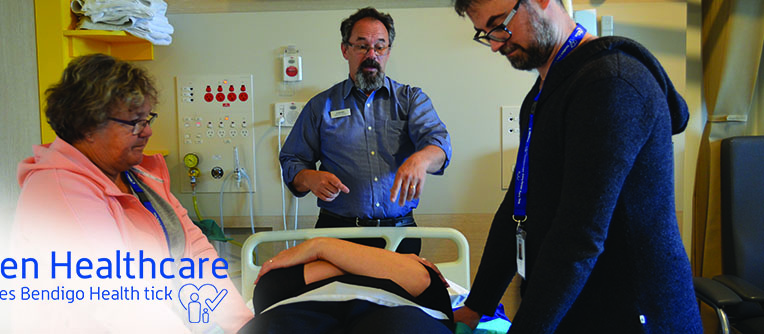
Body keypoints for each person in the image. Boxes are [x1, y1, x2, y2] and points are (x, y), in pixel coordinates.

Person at [451, 0, 703, 333]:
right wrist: (476, 307)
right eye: (485, 33)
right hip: (580, 307)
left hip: (635, 315)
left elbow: (579, 236)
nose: (496, 43)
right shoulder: (542, 96)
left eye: (500, 24)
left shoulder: (610, 83)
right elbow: (516, 209)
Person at [13, 54, 252, 333]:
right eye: (135, 122)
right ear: (87, 126)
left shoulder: (136, 176)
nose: (148, 130)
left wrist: (243, 326)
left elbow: (196, 253)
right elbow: (120, 302)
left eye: (147, 118)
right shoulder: (58, 191)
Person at [279, 7, 453, 255]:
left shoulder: (411, 100)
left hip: (400, 235)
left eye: (380, 46)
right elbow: (291, 159)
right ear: (345, 50)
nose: (372, 55)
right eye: (362, 46)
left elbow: (439, 145)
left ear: (388, 52)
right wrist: (309, 177)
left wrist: (421, 159)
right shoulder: (321, 106)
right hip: (338, 234)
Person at [238, 237, 454, 333]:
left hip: (395, 311)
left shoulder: (418, 274)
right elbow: (269, 289)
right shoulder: (280, 274)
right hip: (291, 312)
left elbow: (423, 280)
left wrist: (320, 246)